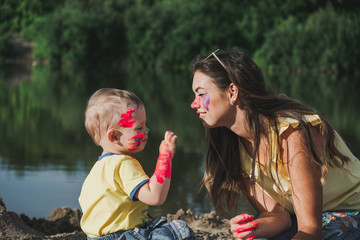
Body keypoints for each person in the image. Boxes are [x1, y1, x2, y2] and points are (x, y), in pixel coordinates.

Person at [190, 50, 360, 240]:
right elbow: (279, 217)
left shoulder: (291, 134)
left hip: (352, 213)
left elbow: (311, 230)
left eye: (201, 94)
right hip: (307, 220)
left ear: (232, 92)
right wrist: (252, 227)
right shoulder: (236, 148)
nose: (193, 104)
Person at [79, 88, 195, 240]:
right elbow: (155, 197)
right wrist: (165, 157)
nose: (146, 130)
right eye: (139, 127)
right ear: (114, 135)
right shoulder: (124, 164)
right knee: (179, 230)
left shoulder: (96, 171)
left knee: (155, 224)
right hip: (121, 237)